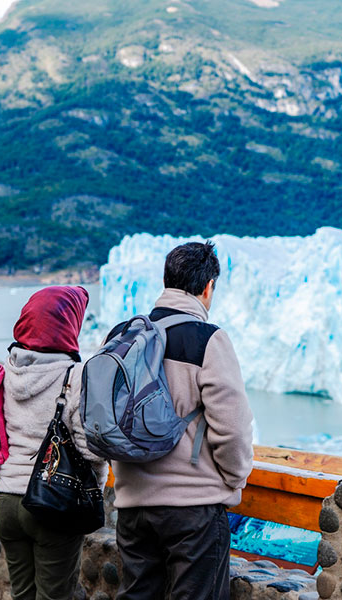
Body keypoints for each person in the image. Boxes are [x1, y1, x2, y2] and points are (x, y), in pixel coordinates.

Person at [105, 241, 255, 600]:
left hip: (133, 508)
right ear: (208, 288)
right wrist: (232, 481)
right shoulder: (208, 339)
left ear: (166, 281)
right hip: (193, 512)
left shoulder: (122, 335)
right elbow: (232, 427)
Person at [0, 286, 109, 600]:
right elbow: (89, 449)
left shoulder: (8, 371)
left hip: (7, 500)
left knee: (23, 595)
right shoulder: (74, 377)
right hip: (52, 503)